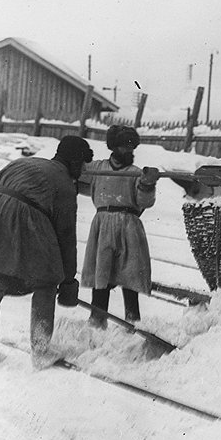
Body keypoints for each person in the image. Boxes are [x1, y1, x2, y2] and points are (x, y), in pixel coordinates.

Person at [0, 135, 93, 369]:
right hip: (23, 221)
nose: (82, 171)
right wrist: (68, 280)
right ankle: (41, 352)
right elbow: (66, 238)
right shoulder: (64, 184)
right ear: (74, 162)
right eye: (82, 165)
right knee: (47, 281)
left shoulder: (22, 163)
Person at [80, 125, 157, 327]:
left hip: (129, 225)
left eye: (132, 147)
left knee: (130, 273)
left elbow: (145, 202)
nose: (129, 151)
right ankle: (97, 319)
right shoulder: (98, 168)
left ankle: (133, 322)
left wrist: (148, 184)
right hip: (103, 223)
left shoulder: (136, 173)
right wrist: (79, 162)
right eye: (124, 147)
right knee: (101, 273)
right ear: (113, 147)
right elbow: (78, 177)